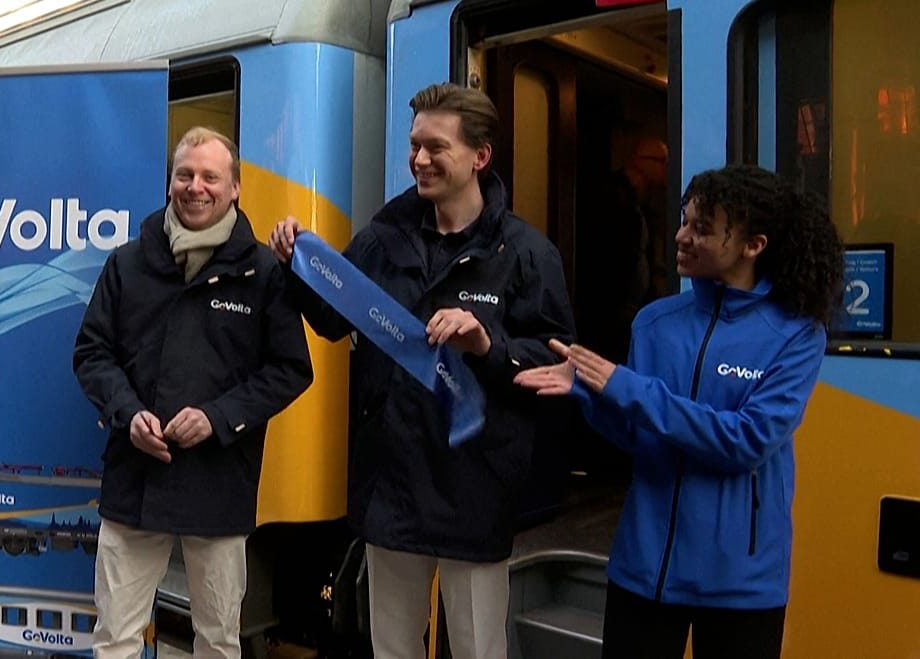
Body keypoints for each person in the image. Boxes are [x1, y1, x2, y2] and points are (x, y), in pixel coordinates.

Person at [269, 83, 575, 659]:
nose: (419, 159)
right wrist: (295, 268)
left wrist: (488, 344)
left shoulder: (527, 254)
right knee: (392, 650)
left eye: (436, 147)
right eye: (414, 145)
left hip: (476, 489)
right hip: (394, 485)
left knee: (478, 649)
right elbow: (334, 322)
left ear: (480, 157)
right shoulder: (382, 239)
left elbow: (560, 364)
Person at [515, 165, 845, 659]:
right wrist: (588, 392)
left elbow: (746, 442)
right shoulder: (655, 321)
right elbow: (637, 435)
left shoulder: (796, 334)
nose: (681, 236)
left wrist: (625, 386)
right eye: (684, 220)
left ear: (753, 245)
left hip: (741, 582)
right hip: (644, 570)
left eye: (701, 228)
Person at [73, 127, 313, 658]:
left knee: (219, 641)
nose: (195, 187)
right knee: (115, 636)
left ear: (235, 189)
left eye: (210, 176)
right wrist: (127, 413)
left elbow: (291, 369)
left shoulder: (263, 271)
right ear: (170, 183)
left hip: (219, 484)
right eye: (185, 174)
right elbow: (92, 353)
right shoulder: (128, 262)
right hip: (135, 483)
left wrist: (219, 418)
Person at [577, 137, 668, 364]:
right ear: (640, 162)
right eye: (661, 161)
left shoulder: (644, 205)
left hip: (634, 309)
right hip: (609, 311)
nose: (667, 169)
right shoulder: (611, 197)